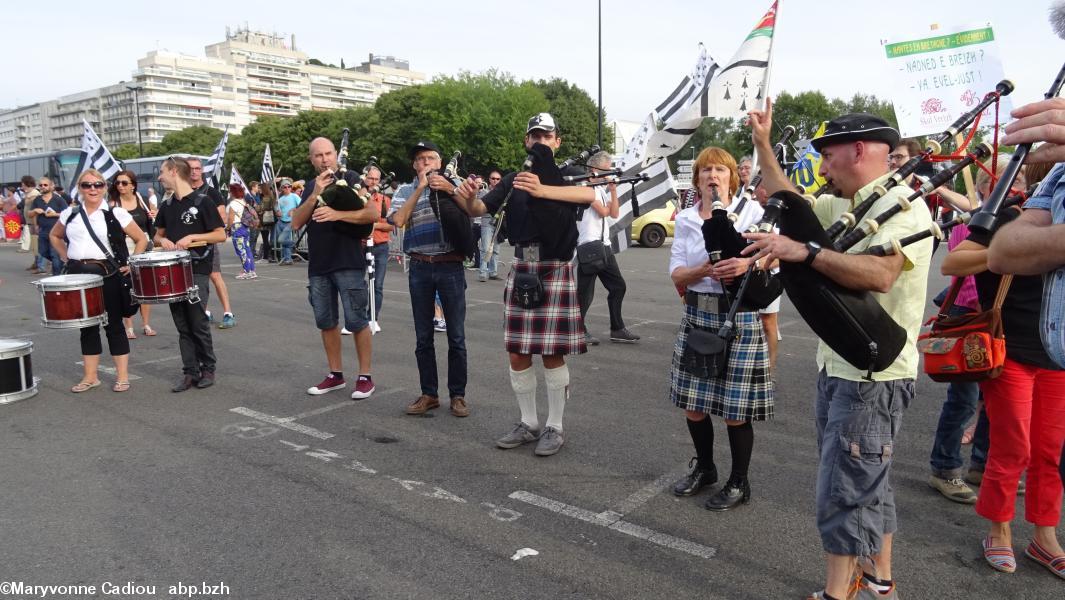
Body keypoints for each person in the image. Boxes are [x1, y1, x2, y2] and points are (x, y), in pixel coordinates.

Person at [744, 102, 933, 600]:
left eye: (827, 156)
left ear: (858, 149)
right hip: (841, 366)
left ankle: (837, 593)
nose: (822, 169)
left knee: (844, 491)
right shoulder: (843, 203)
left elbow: (881, 273)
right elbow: (788, 195)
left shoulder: (907, 206)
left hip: (873, 378)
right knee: (869, 482)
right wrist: (763, 143)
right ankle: (878, 579)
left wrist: (804, 252)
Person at [941, 179, 1065, 580]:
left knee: (1050, 451)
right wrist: (1010, 253)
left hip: (1058, 356)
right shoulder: (1006, 218)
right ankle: (999, 529)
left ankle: (1044, 538)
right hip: (1009, 350)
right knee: (1013, 446)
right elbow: (953, 263)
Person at [453, 113, 595, 455]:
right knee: (518, 353)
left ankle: (555, 427)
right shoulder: (515, 179)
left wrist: (544, 188)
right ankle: (529, 422)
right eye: (535, 137)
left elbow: (590, 197)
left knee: (551, 354)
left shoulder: (568, 177)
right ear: (526, 141)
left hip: (555, 266)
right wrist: (468, 196)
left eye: (546, 137)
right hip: (523, 266)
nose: (540, 142)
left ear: (557, 142)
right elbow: (478, 209)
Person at [666, 146, 773, 512]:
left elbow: (771, 263)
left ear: (732, 176)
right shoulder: (684, 219)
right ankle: (706, 468)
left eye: (720, 170)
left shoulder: (753, 213)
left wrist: (748, 266)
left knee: (734, 411)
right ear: (697, 179)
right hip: (698, 314)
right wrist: (705, 271)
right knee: (694, 406)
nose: (713, 176)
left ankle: (739, 482)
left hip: (739, 315)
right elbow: (677, 273)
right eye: (706, 170)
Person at [926, 159, 1028, 506]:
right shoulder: (974, 221)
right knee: (964, 400)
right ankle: (945, 467)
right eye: (1017, 179)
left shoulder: (1018, 218)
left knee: (991, 400)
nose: (1022, 188)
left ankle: (981, 465)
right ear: (992, 186)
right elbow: (961, 271)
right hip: (970, 316)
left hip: (996, 317)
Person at [293, 137, 378, 400]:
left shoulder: (351, 177)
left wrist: (337, 214)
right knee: (326, 322)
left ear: (335, 154)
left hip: (347, 261)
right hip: (319, 264)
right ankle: (335, 374)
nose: (324, 159)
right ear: (311, 159)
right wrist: (316, 194)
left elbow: (372, 214)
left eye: (328, 153)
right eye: (318, 155)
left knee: (357, 320)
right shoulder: (310, 186)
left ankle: (365, 377)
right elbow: (296, 222)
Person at [389, 140, 470, 417]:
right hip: (420, 267)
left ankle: (458, 395)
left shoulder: (454, 182)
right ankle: (429, 393)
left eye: (430, 158)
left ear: (440, 161)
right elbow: (398, 220)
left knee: (456, 336)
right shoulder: (404, 189)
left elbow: (475, 209)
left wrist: (449, 188)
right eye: (420, 159)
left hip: (450, 265)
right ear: (414, 165)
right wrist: (421, 188)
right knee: (423, 337)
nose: (425, 163)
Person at [49, 169, 147, 393]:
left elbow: (141, 239)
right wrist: (65, 255)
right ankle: (90, 377)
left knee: (114, 325)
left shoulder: (116, 213)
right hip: (77, 276)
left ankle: (122, 377)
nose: (92, 189)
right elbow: (54, 236)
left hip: (108, 275)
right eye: (86, 185)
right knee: (87, 327)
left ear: (104, 187)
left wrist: (131, 263)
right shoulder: (70, 213)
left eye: (98, 185)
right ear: (80, 189)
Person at [153, 156, 227, 392]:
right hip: (173, 270)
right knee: (182, 325)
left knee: (197, 322)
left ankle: (208, 368)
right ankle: (190, 372)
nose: (159, 176)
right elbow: (157, 236)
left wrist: (194, 238)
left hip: (197, 268)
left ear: (174, 171)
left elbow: (220, 235)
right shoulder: (166, 205)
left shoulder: (203, 201)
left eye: (162, 171)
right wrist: (162, 240)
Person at [576, 151, 639, 346]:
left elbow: (614, 213)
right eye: (607, 168)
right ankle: (578, 330)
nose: (610, 172)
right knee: (585, 293)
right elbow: (603, 211)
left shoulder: (601, 190)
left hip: (603, 246)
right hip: (589, 245)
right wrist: (608, 188)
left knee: (618, 286)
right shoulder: (585, 187)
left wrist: (612, 190)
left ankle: (617, 328)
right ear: (595, 170)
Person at [186, 157, 236, 329]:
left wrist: (204, 225)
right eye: (191, 168)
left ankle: (228, 312)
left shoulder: (211, 192)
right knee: (195, 280)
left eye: (197, 168)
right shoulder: (182, 193)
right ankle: (204, 312)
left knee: (215, 276)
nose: (194, 171)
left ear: (202, 171)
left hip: (207, 243)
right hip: (188, 245)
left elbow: (221, 217)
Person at [108, 170, 157, 339]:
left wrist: (153, 216)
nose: (120, 186)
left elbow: (151, 226)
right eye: (117, 183)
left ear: (133, 185)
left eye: (124, 183)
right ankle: (128, 326)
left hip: (143, 245)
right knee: (127, 287)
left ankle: (146, 323)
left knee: (145, 287)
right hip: (124, 246)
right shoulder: (114, 204)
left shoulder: (141, 201)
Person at [365, 166, 391, 322]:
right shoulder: (358, 197)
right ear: (365, 178)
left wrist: (372, 226)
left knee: (377, 285)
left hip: (380, 246)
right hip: (359, 246)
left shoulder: (385, 200)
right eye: (370, 178)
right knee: (358, 285)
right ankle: (359, 318)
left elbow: (391, 225)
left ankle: (372, 318)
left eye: (376, 179)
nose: (373, 182)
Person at [31, 176, 68, 275]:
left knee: (54, 254)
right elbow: (30, 214)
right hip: (43, 230)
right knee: (42, 251)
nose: (43, 187)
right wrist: (35, 211)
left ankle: (57, 275)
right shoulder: (37, 200)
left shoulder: (58, 199)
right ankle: (61, 264)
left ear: (51, 186)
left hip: (56, 231)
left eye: (45, 185)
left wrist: (54, 214)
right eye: (41, 185)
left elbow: (67, 213)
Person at [226, 184, 257, 280]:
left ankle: (246, 271)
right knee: (247, 249)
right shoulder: (243, 202)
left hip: (237, 227)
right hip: (245, 227)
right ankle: (252, 270)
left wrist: (227, 228)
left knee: (241, 250)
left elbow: (231, 219)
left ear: (233, 192)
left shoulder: (233, 204)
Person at [477, 170, 503, 282]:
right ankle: (483, 272)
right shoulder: (484, 192)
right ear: (489, 179)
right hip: (487, 221)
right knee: (486, 249)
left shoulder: (503, 192)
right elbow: (477, 206)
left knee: (496, 249)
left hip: (498, 222)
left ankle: (493, 272)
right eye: (493, 178)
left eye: (497, 179)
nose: (495, 181)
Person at [276, 178, 301, 265]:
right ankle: (288, 259)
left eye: (289, 186)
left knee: (281, 240)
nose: (287, 188)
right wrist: (277, 213)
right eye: (285, 187)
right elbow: (278, 211)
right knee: (283, 241)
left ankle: (294, 244)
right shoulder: (280, 199)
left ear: (291, 188)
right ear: (282, 189)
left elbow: (302, 206)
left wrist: (294, 209)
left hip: (291, 221)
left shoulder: (294, 196)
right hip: (281, 221)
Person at [258, 184, 278, 261]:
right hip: (272, 220)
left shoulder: (265, 198)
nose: (260, 190)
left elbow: (262, 209)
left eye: (261, 188)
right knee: (272, 239)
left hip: (265, 220)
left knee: (265, 239)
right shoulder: (273, 197)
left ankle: (266, 256)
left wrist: (258, 208)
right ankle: (272, 255)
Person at [246, 180, 262, 259]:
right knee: (252, 236)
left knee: (256, 236)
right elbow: (247, 206)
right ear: (253, 187)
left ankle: (253, 250)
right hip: (252, 218)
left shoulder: (258, 195)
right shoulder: (248, 196)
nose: (258, 188)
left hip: (258, 218)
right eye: (257, 186)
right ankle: (250, 252)